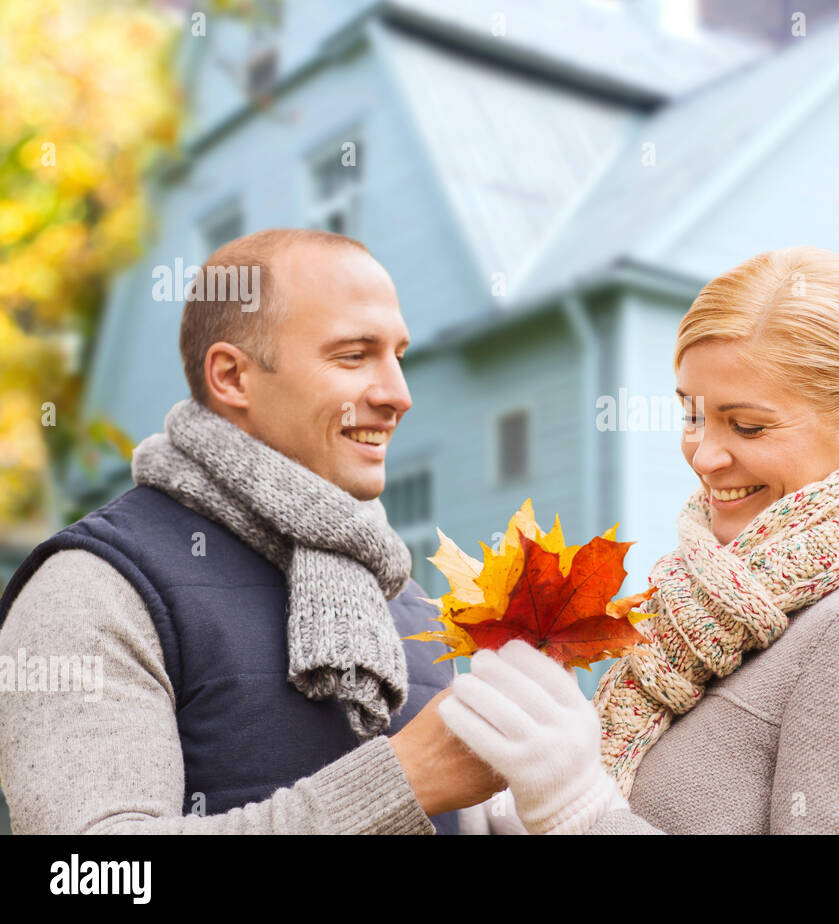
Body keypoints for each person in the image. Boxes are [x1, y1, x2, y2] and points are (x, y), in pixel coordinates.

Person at [441, 245, 839, 834]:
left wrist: (578, 810)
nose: (706, 455)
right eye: (692, 416)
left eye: (747, 426)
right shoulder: (697, 616)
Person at [0, 228, 503, 833]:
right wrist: (402, 783)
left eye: (398, 355)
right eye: (353, 355)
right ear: (233, 378)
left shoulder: (412, 607)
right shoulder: (94, 586)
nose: (399, 394)